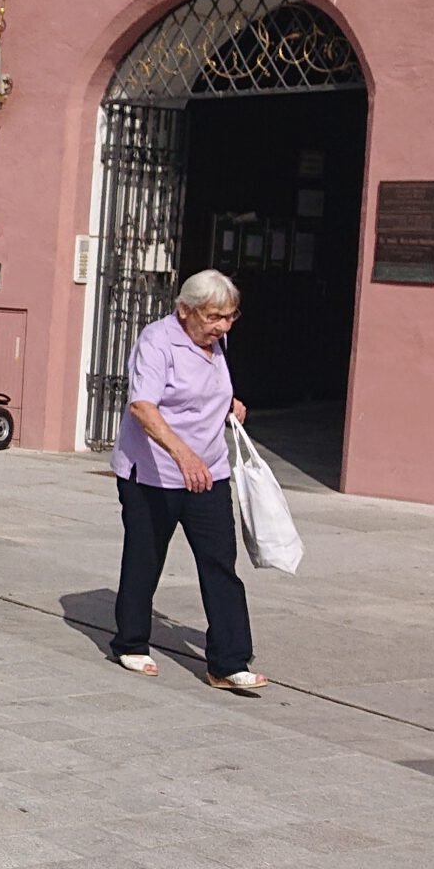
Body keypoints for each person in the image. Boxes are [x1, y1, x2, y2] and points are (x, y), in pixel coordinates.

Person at [110, 270, 262, 691]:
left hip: (210, 471)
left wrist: (229, 404)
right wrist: (183, 454)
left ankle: (228, 662)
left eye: (230, 317)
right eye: (214, 317)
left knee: (220, 563)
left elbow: (206, 387)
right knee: (145, 558)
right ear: (185, 311)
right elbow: (143, 406)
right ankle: (131, 641)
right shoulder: (158, 341)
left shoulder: (216, 342)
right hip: (153, 474)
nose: (223, 326)